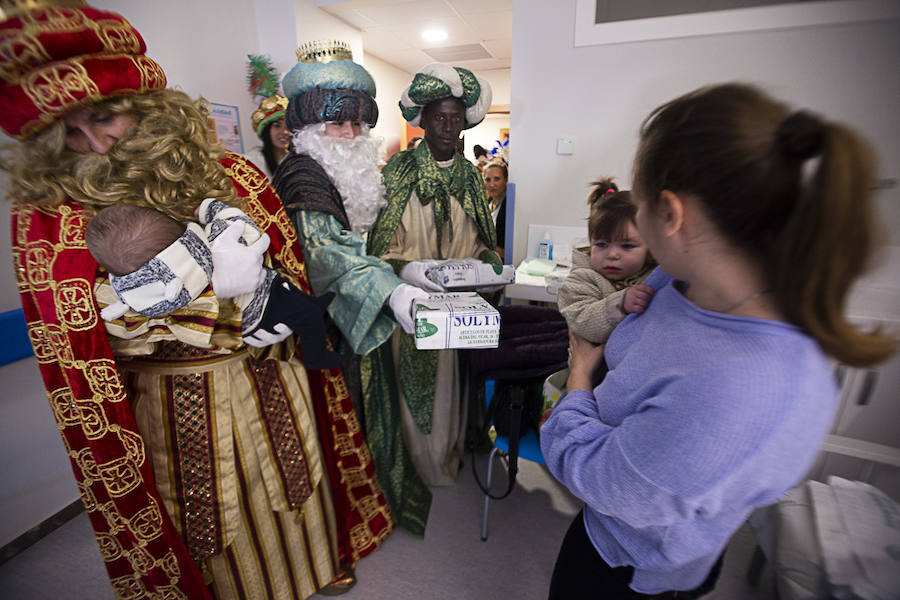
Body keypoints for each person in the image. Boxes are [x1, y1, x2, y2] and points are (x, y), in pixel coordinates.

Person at [0, 5, 392, 598]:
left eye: (106, 119)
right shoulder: (48, 214)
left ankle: (322, 562)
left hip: (274, 369)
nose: (95, 144)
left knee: (301, 476)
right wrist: (206, 310)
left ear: (147, 107)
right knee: (207, 511)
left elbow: (285, 267)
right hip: (169, 393)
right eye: (69, 135)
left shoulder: (231, 171)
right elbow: (77, 335)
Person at [541, 82, 896, 599]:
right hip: (607, 526)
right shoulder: (674, 279)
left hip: (634, 565)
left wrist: (578, 380)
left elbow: (603, 480)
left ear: (671, 213)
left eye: (638, 208)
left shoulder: (741, 389)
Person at [272, 40, 435, 535]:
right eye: (337, 124)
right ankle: (341, 528)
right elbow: (328, 258)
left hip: (351, 314)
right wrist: (391, 291)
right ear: (308, 129)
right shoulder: (305, 177)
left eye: (357, 124)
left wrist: (403, 271)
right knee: (335, 430)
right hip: (322, 328)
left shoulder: (341, 174)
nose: (349, 134)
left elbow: (359, 244)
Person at [367, 62, 499, 488]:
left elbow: (481, 239)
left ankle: (446, 454)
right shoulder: (398, 173)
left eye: (455, 118)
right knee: (414, 388)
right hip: (412, 305)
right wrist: (407, 268)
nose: (447, 126)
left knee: (451, 385)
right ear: (422, 118)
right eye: (439, 117)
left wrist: (488, 261)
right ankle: (415, 466)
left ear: (465, 122)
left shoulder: (473, 180)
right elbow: (379, 247)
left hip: (458, 308)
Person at [84, 201, 341, 370]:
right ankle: (317, 354)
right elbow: (237, 222)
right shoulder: (207, 246)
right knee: (303, 312)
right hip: (263, 306)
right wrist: (210, 208)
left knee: (298, 300)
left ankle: (313, 307)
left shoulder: (141, 295)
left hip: (242, 329)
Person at [556, 178, 655, 345]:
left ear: (649, 247)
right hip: (596, 368)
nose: (613, 255)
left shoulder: (656, 275)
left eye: (627, 246)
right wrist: (620, 304)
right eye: (602, 244)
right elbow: (582, 322)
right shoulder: (581, 279)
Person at [244, 55, 291, 179]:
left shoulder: (296, 160)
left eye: (288, 126)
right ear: (266, 130)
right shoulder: (252, 162)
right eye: (277, 125)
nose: (284, 132)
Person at [482, 160, 509, 259]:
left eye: (497, 179)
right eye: (488, 180)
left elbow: (507, 251)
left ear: (506, 180)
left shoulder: (508, 207)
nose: (492, 185)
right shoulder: (487, 204)